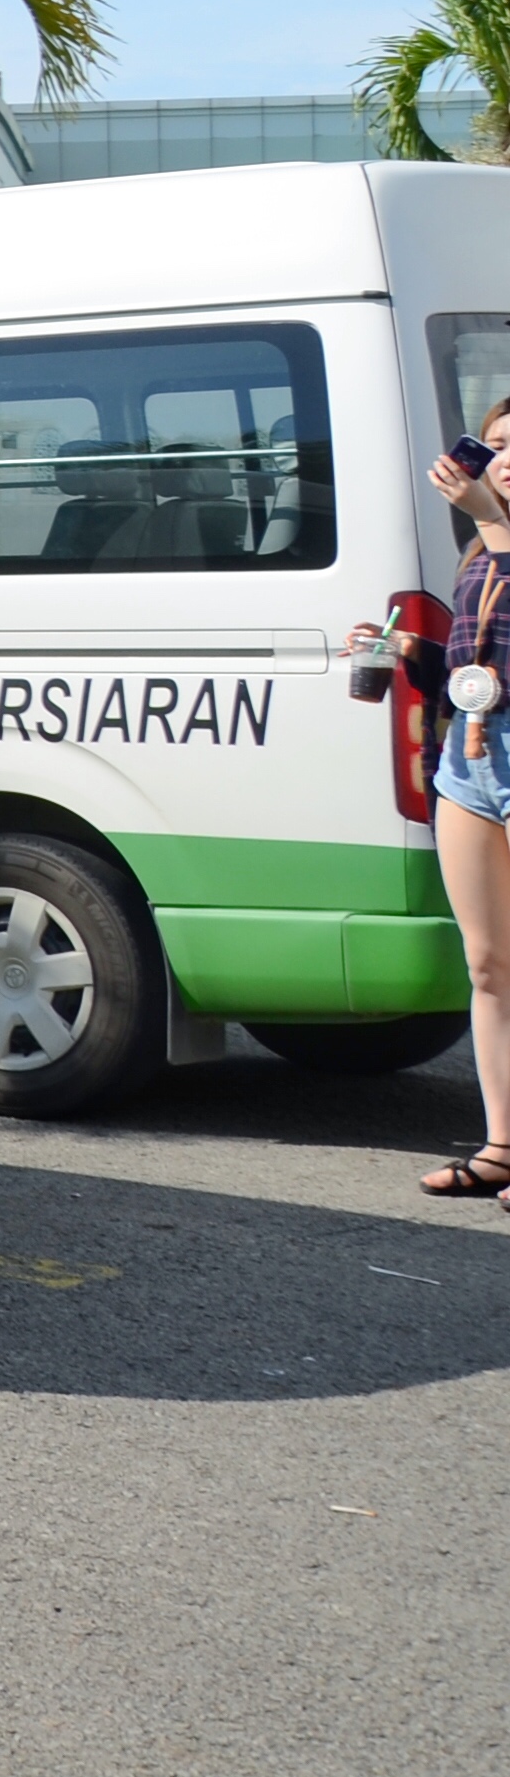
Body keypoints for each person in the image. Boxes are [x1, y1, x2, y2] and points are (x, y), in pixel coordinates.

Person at [355, 397, 510, 1204]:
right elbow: (474, 666)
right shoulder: (478, 552)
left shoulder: (494, 539)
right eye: (496, 446)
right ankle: (501, 1148)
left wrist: (493, 524)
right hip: (471, 764)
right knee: (489, 967)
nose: (506, 457)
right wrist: (411, 654)